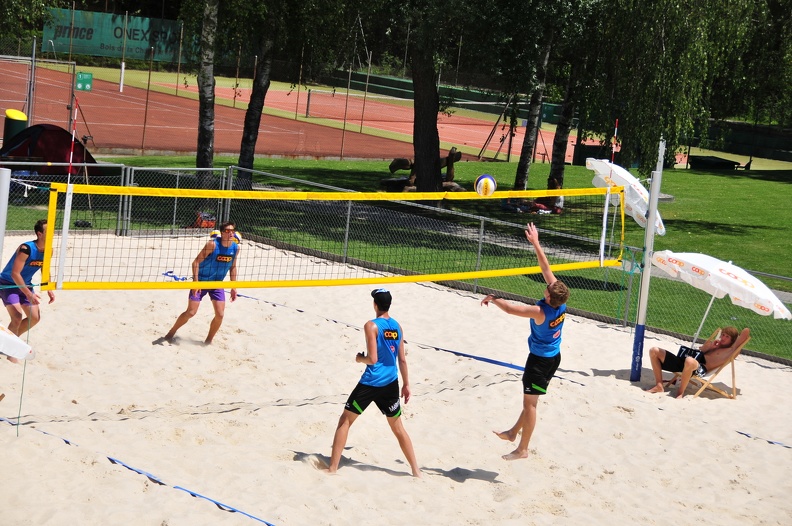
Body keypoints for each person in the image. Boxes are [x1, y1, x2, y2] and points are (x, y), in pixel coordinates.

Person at [481, 223, 569, 460]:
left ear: (549, 297)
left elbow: (511, 310)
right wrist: (535, 243)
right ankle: (512, 433)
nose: (546, 286)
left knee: (530, 405)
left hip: (539, 362)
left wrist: (495, 298)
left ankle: (522, 449)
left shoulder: (541, 311)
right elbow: (545, 267)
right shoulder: (560, 302)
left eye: (548, 289)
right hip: (553, 358)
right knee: (531, 400)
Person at [326, 288, 421, 477]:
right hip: (391, 383)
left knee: (345, 421)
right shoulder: (397, 326)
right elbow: (402, 359)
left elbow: (373, 359)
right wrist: (407, 384)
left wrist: (359, 358)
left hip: (371, 383)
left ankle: (332, 468)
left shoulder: (371, 326)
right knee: (398, 428)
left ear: (375, 305)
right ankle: (416, 471)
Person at [161, 221, 240, 344]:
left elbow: (233, 267)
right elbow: (195, 262)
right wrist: (196, 283)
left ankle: (208, 341)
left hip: (217, 284)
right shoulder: (212, 245)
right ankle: (171, 332)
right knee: (191, 312)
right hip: (201, 282)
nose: (230, 233)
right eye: (227, 231)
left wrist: (234, 287)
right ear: (222, 233)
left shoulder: (235, 248)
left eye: (232, 231)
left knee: (220, 314)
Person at [0, 219, 55, 363]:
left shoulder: (49, 249)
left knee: (35, 318)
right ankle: (10, 349)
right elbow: (15, 274)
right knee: (17, 317)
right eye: (49, 231)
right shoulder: (26, 248)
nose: (53, 233)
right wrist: (29, 294)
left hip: (26, 285)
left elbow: (45, 270)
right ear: (40, 234)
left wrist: (48, 287)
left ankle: (12, 341)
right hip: (8, 284)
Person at [645, 326, 750, 398]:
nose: (723, 338)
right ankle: (659, 386)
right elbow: (699, 352)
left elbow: (746, 331)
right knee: (654, 351)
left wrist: (736, 335)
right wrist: (709, 347)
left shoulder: (730, 351)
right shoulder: (714, 345)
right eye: (723, 334)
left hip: (700, 369)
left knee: (690, 361)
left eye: (727, 336)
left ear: (732, 340)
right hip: (686, 362)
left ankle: (680, 393)